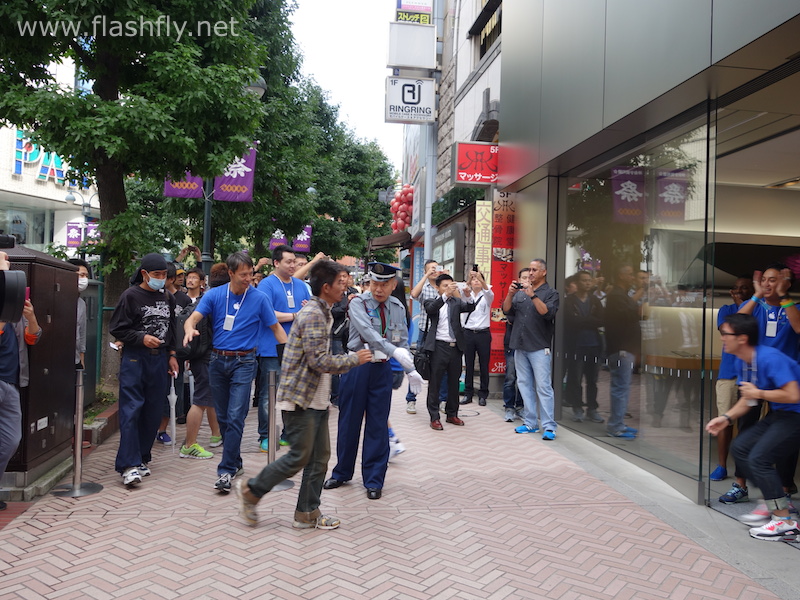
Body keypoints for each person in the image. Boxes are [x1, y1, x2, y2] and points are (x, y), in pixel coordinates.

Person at [233, 260, 371, 529]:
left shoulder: (324, 311)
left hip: (315, 398)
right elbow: (319, 361)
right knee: (300, 456)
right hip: (300, 399)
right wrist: (354, 359)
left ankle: (307, 513)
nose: (345, 287)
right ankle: (252, 490)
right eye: (341, 282)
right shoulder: (313, 315)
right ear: (326, 287)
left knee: (319, 458)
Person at [183, 252, 288, 493]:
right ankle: (236, 461)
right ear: (230, 273)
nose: (248, 278)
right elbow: (193, 319)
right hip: (218, 362)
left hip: (245, 362)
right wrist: (189, 329)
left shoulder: (259, 298)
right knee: (223, 417)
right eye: (243, 275)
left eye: (251, 274)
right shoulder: (215, 295)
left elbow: (276, 328)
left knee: (236, 416)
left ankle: (225, 470)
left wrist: (290, 357)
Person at [324, 262, 423, 499]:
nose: (378, 289)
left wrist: (410, 368)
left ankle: (374, 479)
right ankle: (342, 472)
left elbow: (400, 339)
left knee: (378, 424)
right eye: (375, 283)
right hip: (357, 365)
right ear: (369, 282)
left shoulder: (398, 307)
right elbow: (368, 333)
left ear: (393, 284)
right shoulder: (358, 303)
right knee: (349, 422)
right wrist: (394, 350)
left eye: (384, 284)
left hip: (381, 369)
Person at [706, 314, 800, 541]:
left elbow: (792, 394)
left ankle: (785, 522)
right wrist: (726, 418)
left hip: (795, 414)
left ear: (742, 338)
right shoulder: (743, 360)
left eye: (725, 335)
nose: (722, 340)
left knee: (759, 458)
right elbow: (748, 400)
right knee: (740, 447)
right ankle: (772, 501)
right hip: (781, 413)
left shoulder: (770, 358)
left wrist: (759, 393)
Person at [109, 253, 179, 486]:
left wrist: (171, 355)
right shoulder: (130, 296)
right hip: (135, 359)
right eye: (157, 275)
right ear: (144, 274)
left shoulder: (167, 298)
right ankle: (127, 465)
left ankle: (141, 457)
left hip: (159, 360)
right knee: (131, 410)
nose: (161, 279)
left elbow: (171, 329)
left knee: (153, 410)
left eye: (164, 275)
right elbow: (118, 328)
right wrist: (141, 337)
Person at [255, 244, 311, 450]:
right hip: (271, 348)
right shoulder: (266, 285)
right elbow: (267, 313)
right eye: (288, 261)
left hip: (297, 347)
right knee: (269, 394)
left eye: (294, 262)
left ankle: (289, 433)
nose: (293, 265)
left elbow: (310, 308)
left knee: (292, 393)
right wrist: (296, 314)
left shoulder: (300, 284)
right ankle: (266, 435)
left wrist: (306, 311)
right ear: (276, 262)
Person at [0, 251, 41, 510]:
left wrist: (30, 316)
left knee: (11, 440)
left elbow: (33, 338)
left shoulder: (14, 306)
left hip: (12, 382)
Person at [503, 259, 560, 440]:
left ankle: (549, 426)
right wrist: (511, 294)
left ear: (544, 272)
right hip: (520, 346)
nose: (531, 273)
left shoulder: (551, 293)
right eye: (530, 270)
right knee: (524, 385)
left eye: (535, 270)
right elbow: (506, 311)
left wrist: (533, 295)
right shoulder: (520, 293)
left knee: (543, 387)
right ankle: (530, 423)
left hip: (538, 347)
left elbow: (547, 313)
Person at [710, 276, 755, 482]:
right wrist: (739, 303)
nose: (739, 291)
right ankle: (721, 465)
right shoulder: (726, 310)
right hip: (728, 373)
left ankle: (743, 470)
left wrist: (744, 302)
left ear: (752, 290)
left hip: (750, 374)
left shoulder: (757, 309)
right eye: (736, 288)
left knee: (747, 425)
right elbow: (730, 326)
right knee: (725, 422)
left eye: (744, 288)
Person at [423, 273, 476, 429]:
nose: (448, 289)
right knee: (435, 383)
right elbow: (431, 309)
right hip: (438, 347)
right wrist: (445, 296)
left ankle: (452, 414)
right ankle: (434, 416)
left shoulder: (456, 302)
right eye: (445, 286)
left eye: (450, 286)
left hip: (455, 348)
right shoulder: (432, 301)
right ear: (437, 287)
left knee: (454, 382)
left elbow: (470, 307)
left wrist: (467, 295)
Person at [603, 265, 641, 440]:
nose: (633, 277)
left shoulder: (622, 295)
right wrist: (639, 296)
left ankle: (619, 423)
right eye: (631, 274)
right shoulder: (615, 296)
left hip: (627, 349)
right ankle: (615, 427)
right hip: (621, 349)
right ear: (620, 276)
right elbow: (627, 314)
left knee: (623, 387)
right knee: (620, 387)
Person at [563, 270, 605, 423]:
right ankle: (577, 408)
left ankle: (592, 409)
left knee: (592, 380)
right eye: (584, 280)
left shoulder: (594, 300)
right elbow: (570, 322)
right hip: (576, 346)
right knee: (576, 379)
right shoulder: (569, 301)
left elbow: (601, 320)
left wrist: (583, 320)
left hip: (593, 345)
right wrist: (589, 321)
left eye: (589, 280)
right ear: (577, 283)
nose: (587, 283)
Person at [408, 259, 447, 414]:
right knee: (419, 366)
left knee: (443, 368)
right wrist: (425, 277)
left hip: (442, 334)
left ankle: (442, 400)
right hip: (426, 333)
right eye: (431, 268)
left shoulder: (444, 287)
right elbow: (413, 294)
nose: (434, 270)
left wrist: (447, 280)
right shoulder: (424, 287)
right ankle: (411, 400)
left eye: (436, 268)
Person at [460, 269, 494, 406]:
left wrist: (482, 280)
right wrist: (468, 280)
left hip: (483, 333)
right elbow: (461, 292)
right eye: (473, 279)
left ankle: (483, 394)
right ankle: (468, 393)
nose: (476, 281)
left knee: (484, 365)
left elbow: (489, 294)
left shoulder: (487, 295)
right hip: (468, 333)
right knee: (468, 364)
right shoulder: (465, 294)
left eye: (478, 279)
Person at [502, 268, 529, 422]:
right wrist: (510, 294)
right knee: (510, 377)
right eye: (523, 278)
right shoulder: (513, 295)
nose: (525, 281)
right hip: (513, 342)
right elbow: (509, 315)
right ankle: (509, 407)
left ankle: (521, 407)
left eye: (528, 278)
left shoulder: (535, 295)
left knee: (524, 379)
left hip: (529, 343)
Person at [67, 258, 90, 370]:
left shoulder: (81, 303)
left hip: (75, 359)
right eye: (81, 275)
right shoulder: (56, 298)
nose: (84, 279)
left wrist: (81, 358)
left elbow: (82, 331)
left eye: (86, 276)